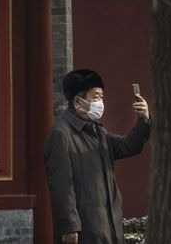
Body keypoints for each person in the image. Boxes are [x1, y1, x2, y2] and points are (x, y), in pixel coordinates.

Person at [44, 69, 151, 244]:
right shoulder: (61, 135)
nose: (100, 102)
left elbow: (128, 146)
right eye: (95, 97)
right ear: (78, 102)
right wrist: (69, 226)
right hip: (85, 229)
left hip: (109, 224)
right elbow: (61, 187)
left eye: (101, 97)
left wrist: (143, 119)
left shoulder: (97, 131)